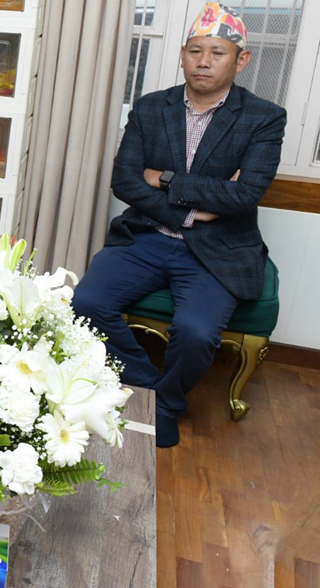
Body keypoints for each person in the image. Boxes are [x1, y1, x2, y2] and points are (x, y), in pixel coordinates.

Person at [72, 3, 286, 449]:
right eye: (195, 51)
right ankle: (148, 386)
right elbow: (125, 181)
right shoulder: (151, 108)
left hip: (218, 248)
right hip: (147, 236)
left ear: (241, 60)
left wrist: (165, 178)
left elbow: (244, 195)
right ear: (183, 55)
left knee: (196, 332)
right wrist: (191, 208)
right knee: (86, 302)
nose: (204, 61)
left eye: (217, 53)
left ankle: (168, 405)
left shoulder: (263, 118)